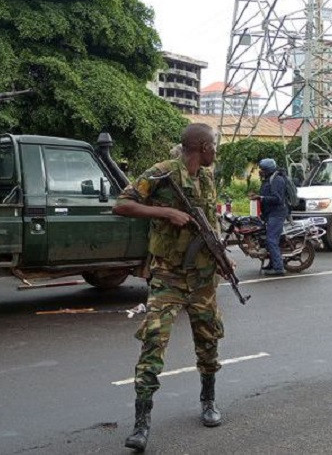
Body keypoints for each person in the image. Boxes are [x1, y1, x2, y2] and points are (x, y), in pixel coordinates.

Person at [113, 124, 224, 452]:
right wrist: (164, 212)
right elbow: (121, 204)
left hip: (203, 278)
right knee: (152, 344)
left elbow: (211, 222)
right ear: (202, 146)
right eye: (213, 144)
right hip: (169, 277)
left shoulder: (206, 177)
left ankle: (208, 401)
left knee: (208, 341)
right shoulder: (162, 173)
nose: (216, 150)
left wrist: (220, 255)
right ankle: (141, 423)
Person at [250, 158, 288, 276]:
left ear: (268, 170)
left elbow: (277, 199)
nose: (260, 172)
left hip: (277, 214)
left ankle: (278, 268)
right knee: (267, 240)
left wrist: (260, 198)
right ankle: (272, 264)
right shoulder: (268, 180)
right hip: (269, 214)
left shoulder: (277, 180)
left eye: (262, 169)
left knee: (272, 241)